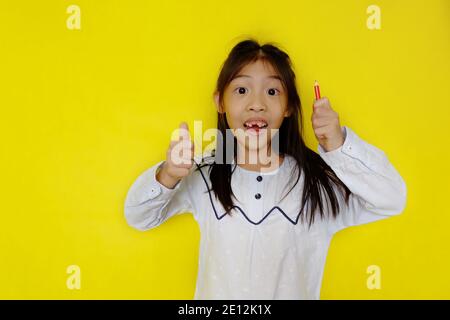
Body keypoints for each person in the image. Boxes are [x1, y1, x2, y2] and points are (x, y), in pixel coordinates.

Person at [124, 39, 407, 299]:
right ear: (220, 102)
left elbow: (392, 198)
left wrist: (337, 143)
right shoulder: (206, 173)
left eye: (272, 91)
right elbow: (138, 216)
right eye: (242, 90)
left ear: (289, 107)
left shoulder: (315, 182)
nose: (257, 104)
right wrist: (169, 174)